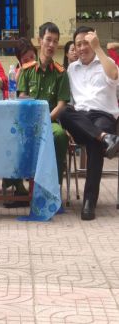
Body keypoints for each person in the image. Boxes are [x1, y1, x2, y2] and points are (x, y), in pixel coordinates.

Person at [59, 27, 119, 221]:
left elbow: (114, 75)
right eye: (78, 44)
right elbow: (65, 99)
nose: (82, 47)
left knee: (94, 143)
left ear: (93, 42)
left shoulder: (105, 62)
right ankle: (106, 139)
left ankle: (89, 203)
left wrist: (99, 48)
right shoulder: (72, 69)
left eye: (86, 43)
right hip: (81, 119)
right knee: (65, 112)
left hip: (103, 116)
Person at [17, 22, 70, 208]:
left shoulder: (61, 73)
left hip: (50, 120)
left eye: (55, 41)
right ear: (40, 41)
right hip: (28, 120)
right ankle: (17, 187)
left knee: (59, 135)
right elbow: (21, 97)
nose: (51, 45)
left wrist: (46, 119)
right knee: (14, 133)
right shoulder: (26, 70)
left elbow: (62, 104)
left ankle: (54, 188)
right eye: (48, 40)